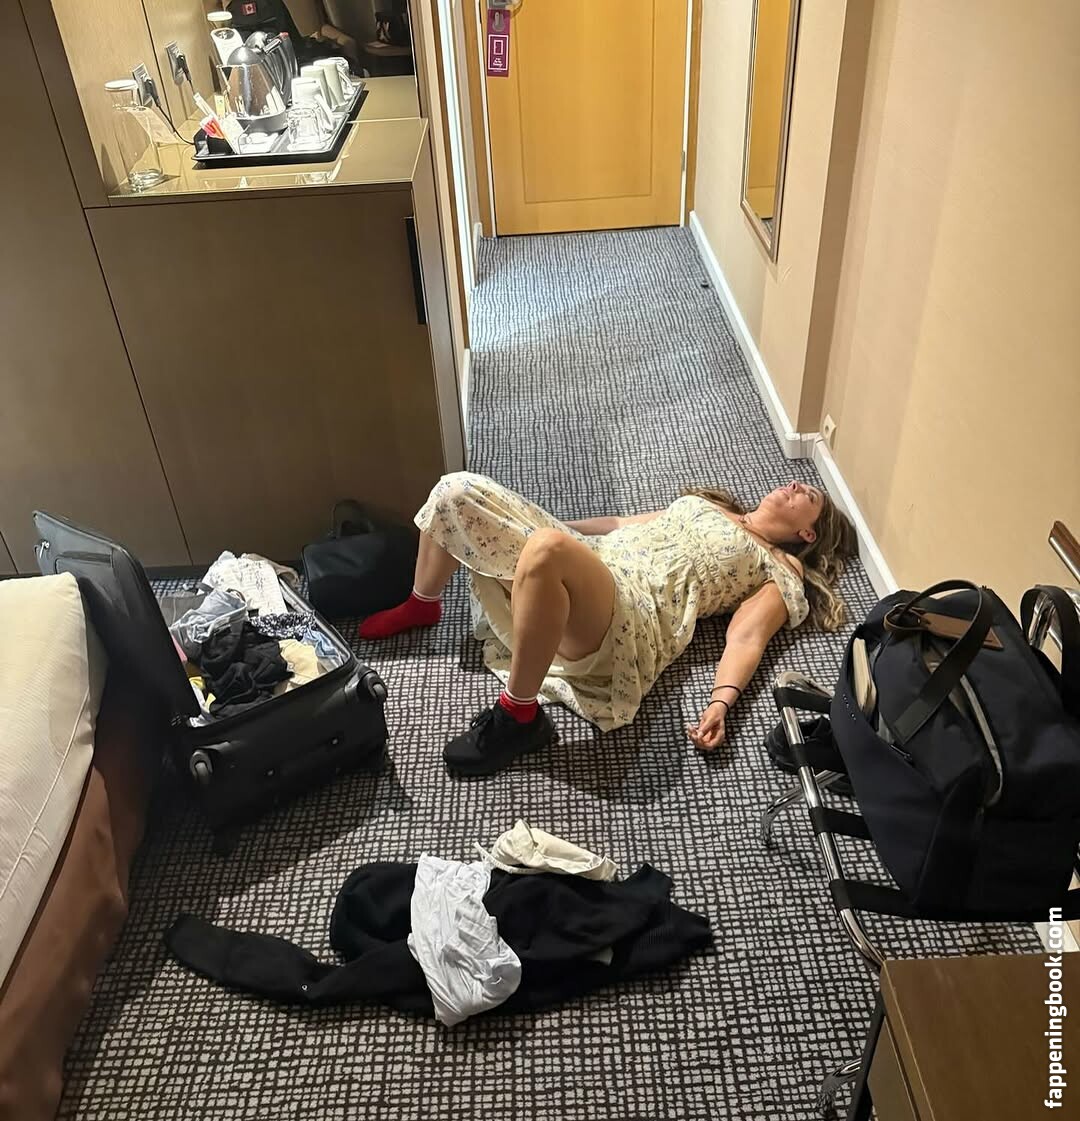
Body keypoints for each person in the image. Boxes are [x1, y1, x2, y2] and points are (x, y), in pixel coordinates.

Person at [359, 472, 857, 775]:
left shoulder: (779, 567)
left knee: (547, 550)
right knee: (456, 490)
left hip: (633, 612)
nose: (794, 484)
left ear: (807, 532)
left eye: (807, 494)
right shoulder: (709, 506)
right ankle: (423, 602)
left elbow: (747, 636)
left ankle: (518, 716)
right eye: (798, 483)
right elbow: (621, 525)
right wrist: (549, 527)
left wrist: (721, 703)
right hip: (596, 560)